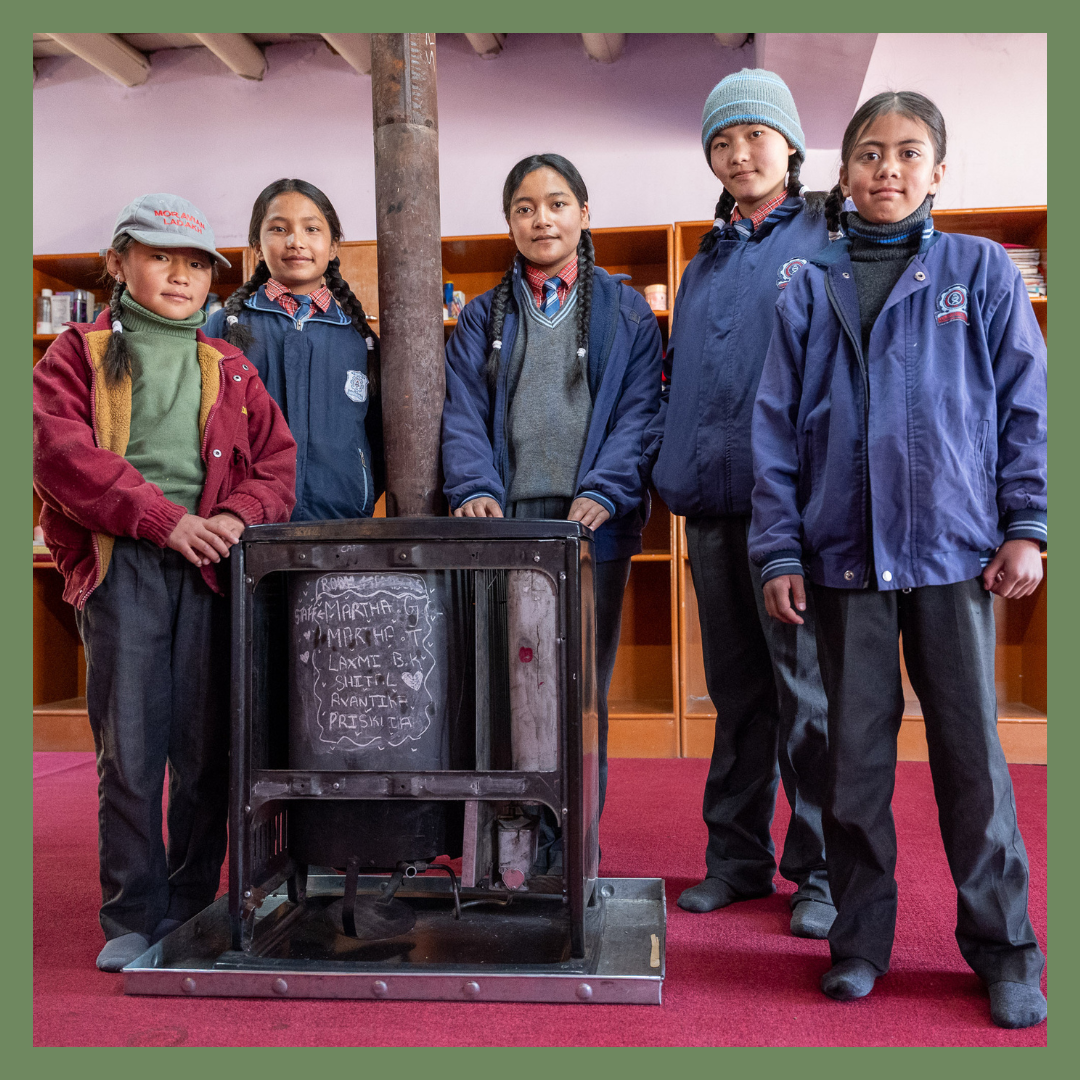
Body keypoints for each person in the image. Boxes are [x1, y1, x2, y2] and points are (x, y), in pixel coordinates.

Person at [749, 91, 1047, 1029]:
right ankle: (860, 943)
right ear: (843, 173)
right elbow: (774, 435)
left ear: (938, 172)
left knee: (973, 761)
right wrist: (779, 550)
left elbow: (1025, 412)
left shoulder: (981, 273)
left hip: (956, 560)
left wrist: (1027, 525)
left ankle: (1004, 951)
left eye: (909, 153)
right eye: (870, 153)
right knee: (854, 765)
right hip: (841, 566)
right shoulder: (809, 282)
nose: (888, 169)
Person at [33, 194, 297, 971]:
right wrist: (161, 519)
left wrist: (237, 518)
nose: (179, 277)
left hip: (212, 566)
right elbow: (60, 455)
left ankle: (190, 903)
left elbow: (278, 464)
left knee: (208, 747)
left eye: (194, 265)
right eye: (159, 257)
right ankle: (134, 912)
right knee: (133, 747)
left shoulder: (230, 366)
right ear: (119, 264)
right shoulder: (76, 353)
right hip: (126, 567)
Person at [641, 69, 834, 938]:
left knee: (810, 694)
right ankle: (738, 860)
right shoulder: (707, 259)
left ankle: (825, 871)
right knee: (737, 693)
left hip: (794, 510)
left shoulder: (830, 236)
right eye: (723, 141)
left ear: (789, 146)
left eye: (755, 135)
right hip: (712, 509)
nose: (739, 152)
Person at [441, 153, 663, 869]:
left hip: (591, 523)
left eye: (558, 203)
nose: (543, 219)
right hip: (503, 524)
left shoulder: (626, 309)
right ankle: (511, 844)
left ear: (584, 215)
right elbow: (461, 414)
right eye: (526, 207)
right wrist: (473, 485)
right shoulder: (480, 315)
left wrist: (603, 491)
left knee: (577, 694)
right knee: (506, 691)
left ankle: (574, 853)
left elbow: (639, 415)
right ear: (509, 222)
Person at [206, 178, 383, 521]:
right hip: (244, 521)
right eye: (278, 229)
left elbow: (378, 437)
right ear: (257, 246)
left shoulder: (359, 339)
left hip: (342, 521)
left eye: (312, 229)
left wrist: (359, 492)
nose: (296, 241)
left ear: (333, 247)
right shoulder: (223, 329)